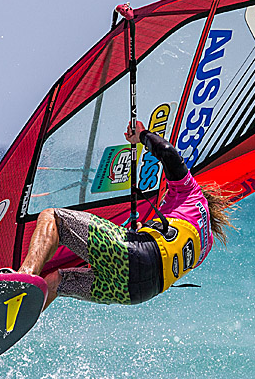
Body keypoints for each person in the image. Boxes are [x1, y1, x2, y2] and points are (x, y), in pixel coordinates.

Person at [17, 120, 235, 310]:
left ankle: (22, 279)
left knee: (54, 218)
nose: (167, 194)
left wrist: (142, 135)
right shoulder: (204, 245)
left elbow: (169, 154)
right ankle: (12, 325)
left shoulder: (192, 193)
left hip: (137, 255)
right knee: (55, 282)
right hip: (136, 293)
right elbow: (168, 255)